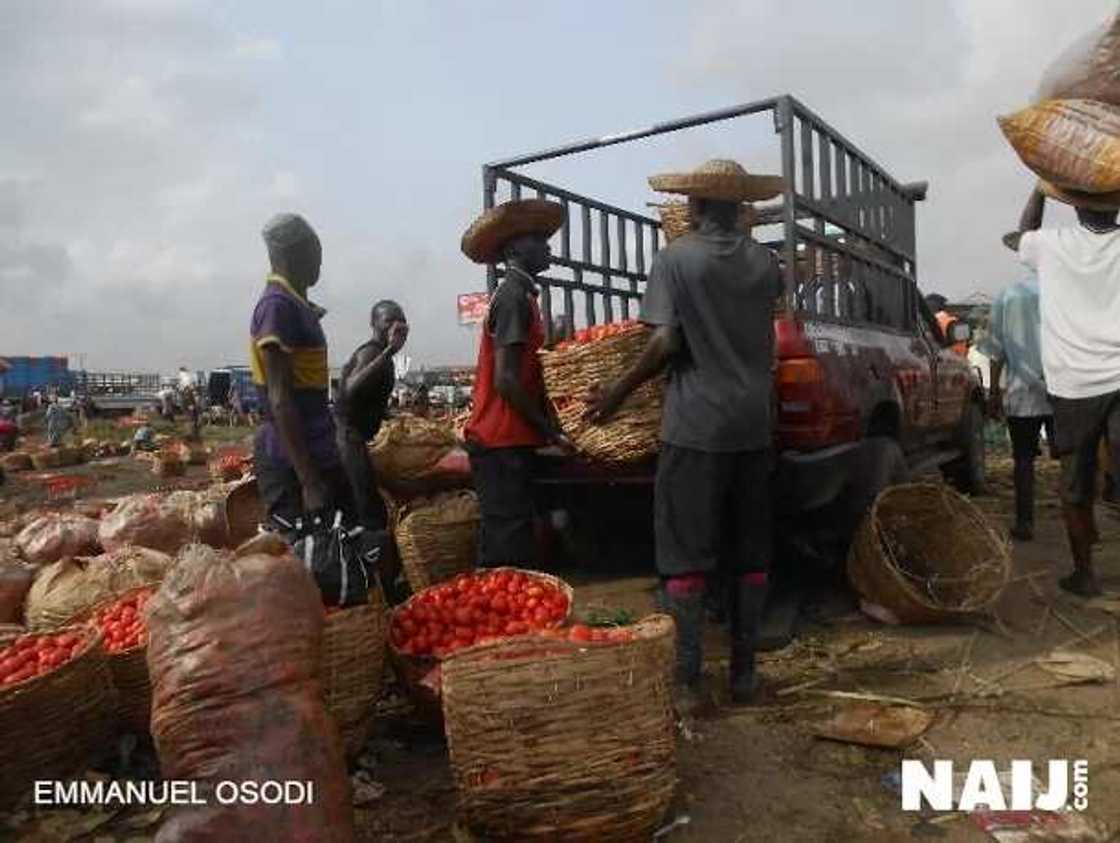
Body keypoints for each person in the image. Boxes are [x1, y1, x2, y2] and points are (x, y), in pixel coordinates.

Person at [585, 159, 785, 709]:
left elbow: (665, 343)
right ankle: (744, 678)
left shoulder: (675, 259)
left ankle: (688, 685)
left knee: (685, 554)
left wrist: (616, 392)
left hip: (695, 425)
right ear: (741, 207)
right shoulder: (766, 263)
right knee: (750, 552)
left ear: (694, 207)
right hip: (752, 423)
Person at [1012, 185, 1120, 597]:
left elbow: (1023, 232)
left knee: (1076, 482)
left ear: (1074, 207)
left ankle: (1085, 574)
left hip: (1074, 383)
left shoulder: (1051, 245)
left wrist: (1040, 189)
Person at [460, 199, 573, 567]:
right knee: (507, 549)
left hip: (509, 440)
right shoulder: (512, 298)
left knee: (511, 539)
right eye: (537, 239)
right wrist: (550, 432)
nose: (547, 245)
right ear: (514, 250)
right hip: (499, 441)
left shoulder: (522, 296)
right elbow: (506, 381)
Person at [250, 212, 353, 536]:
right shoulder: (277, 306)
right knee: (307, 559)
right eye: (313, 253)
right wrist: (309, 481)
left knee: (342, 546)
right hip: (293, 460)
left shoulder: (293, 304)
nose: (318, 263)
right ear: (288, 256)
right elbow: (280, 398)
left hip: (319, 450)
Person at [979, 232, 1054, 542]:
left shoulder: (1008, 295)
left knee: (1023, 459)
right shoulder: (1064, 291)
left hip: (1022, 392)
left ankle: (1025, 522)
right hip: (1065, 389)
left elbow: (994, 350)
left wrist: (994, 392)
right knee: (1077, 456)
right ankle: (1083, 521)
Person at [335, 300, 409, 531]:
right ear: (374, 324)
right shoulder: (372, 353)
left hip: (355, 438)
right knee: (368, 515)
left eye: (400, 321)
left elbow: (366, 400)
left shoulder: (382, 356)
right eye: (388, 321)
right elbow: (349, 390)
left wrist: (388, 414)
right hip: (347, 439)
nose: (394, 327)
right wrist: (389, 350)